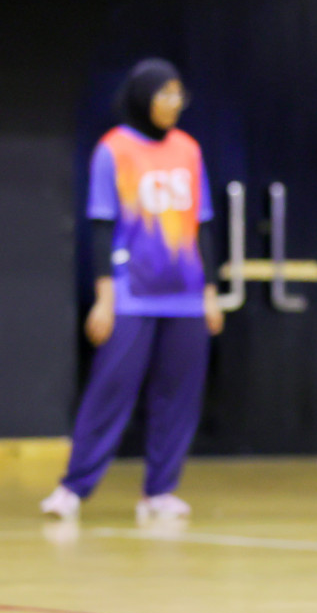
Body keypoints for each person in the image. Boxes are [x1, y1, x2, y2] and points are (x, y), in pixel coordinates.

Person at [40, 58, 223, 523]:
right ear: (144, 97)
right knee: (112, 387)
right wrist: (105, 295)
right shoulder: (114, 150)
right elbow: (101, 227)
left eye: (179, 94)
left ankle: (159, 491)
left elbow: (202, 225)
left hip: (184, 293)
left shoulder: (188, 150)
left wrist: (209, 292)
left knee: (178, 394)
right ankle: (74, 487)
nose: (173, 104)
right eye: (164, 94)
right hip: (133, 292)